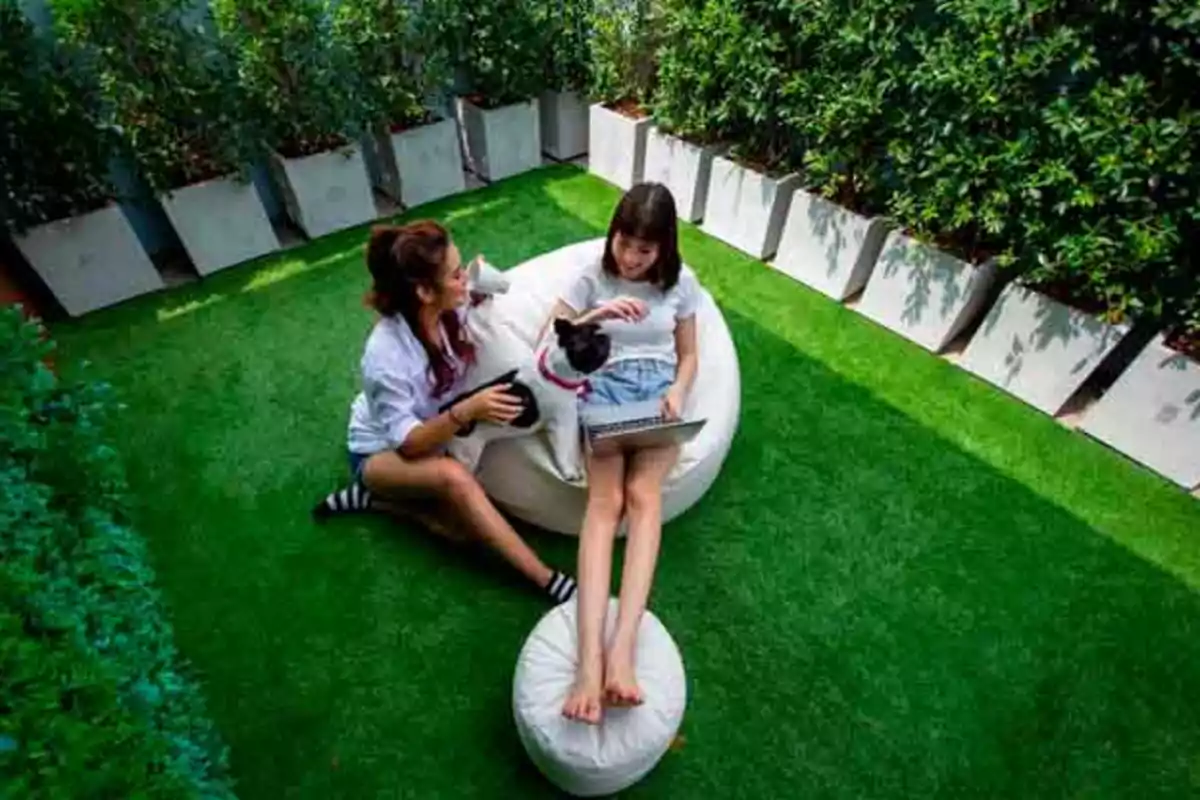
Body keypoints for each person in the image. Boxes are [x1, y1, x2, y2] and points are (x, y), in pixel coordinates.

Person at [313, 220, 578, 605]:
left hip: (436, 427)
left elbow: (486, 291)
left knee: (462, 532)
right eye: (455, 274)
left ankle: (382, 501)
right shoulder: (385, 356)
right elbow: (409, 446)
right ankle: (545, 580)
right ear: (423, 291)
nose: (463, 280)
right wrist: (466, 411)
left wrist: (479, 279)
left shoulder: (449, 306)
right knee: (457, 481)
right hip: (381, 451)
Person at [547, 183, 700, 724]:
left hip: (657, 395)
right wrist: (598, 312)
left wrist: (678, 392)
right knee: (604, 502)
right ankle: (588, 665)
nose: (631, 258)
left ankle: (622, 655)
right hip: (603, 391)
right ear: (613, 232)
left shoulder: (682, 283)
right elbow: (548, 343)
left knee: (644, 495)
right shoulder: (590, 277)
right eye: (624, 243)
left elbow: (688, 357)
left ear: (663, 248)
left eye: (645, 249)